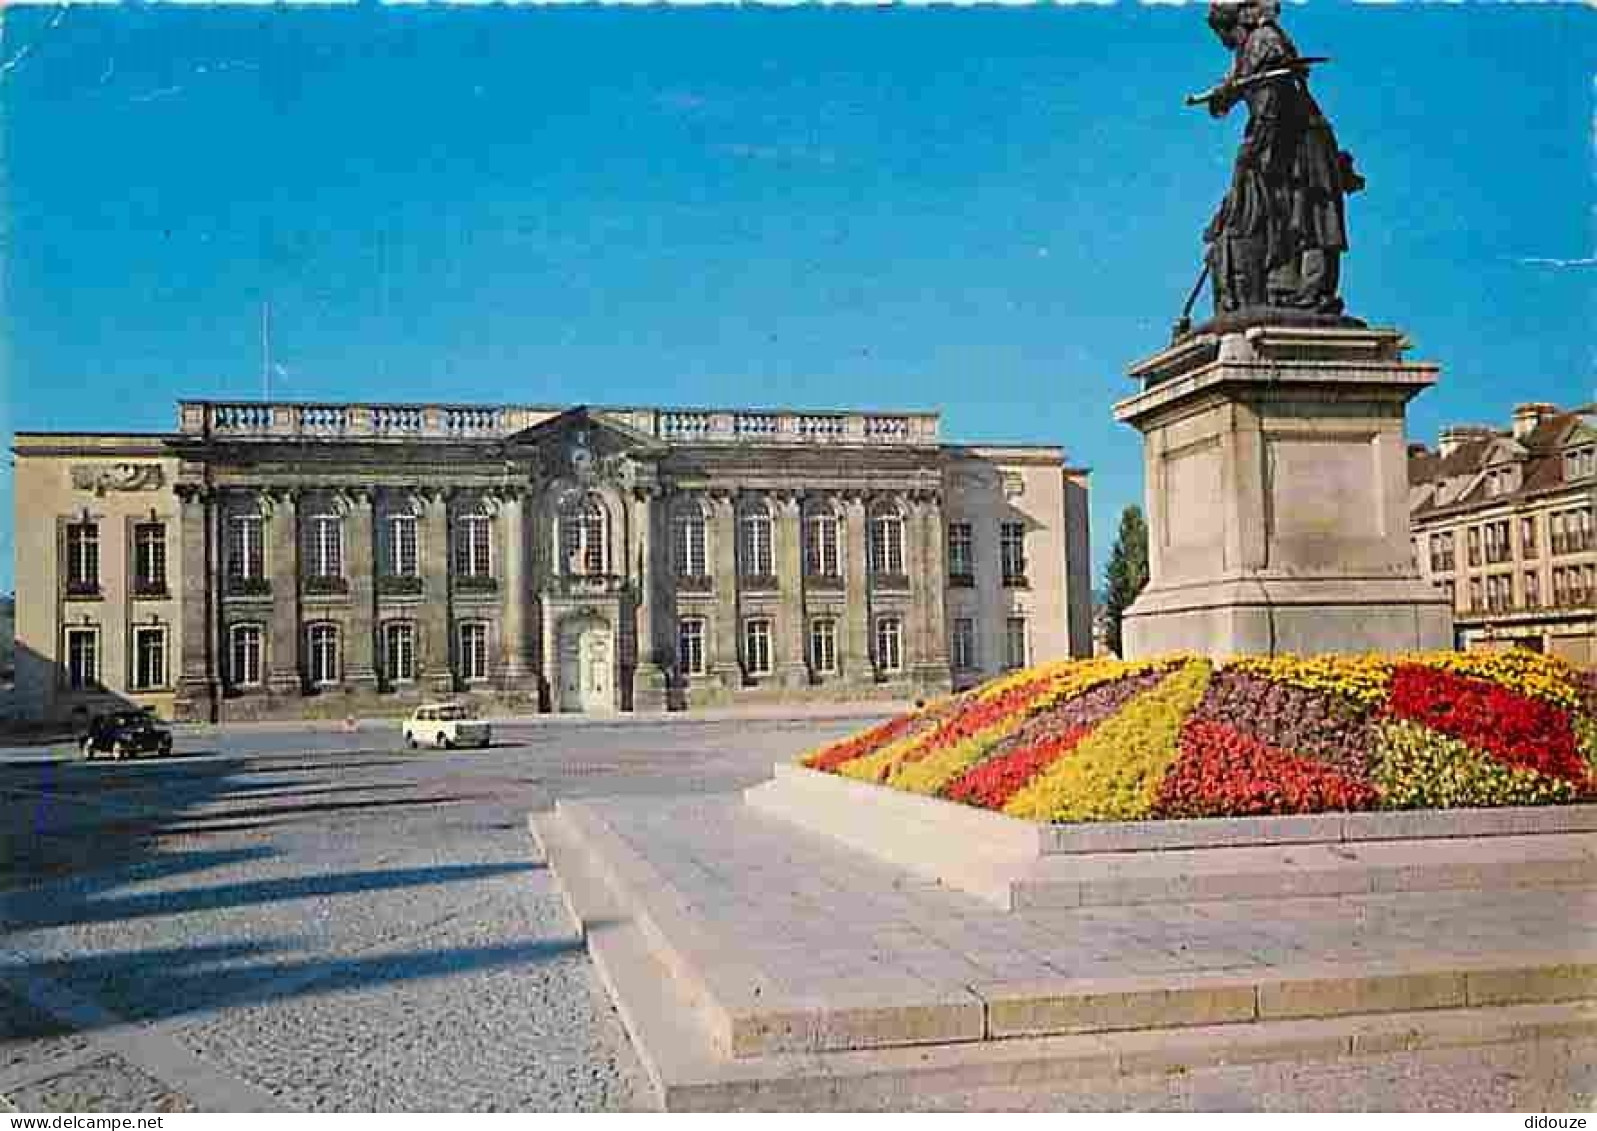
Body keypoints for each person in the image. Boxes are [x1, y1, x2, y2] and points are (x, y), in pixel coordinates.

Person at [1201, 1, 1363, 316]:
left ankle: (1314, 293)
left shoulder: (1264, 40)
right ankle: (1292, 288)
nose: (1222, 41)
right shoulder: (1248, 48)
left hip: (1302, 140)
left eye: (1221, 32)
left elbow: (1270, 102)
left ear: (1231, 24)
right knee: (1291, 214)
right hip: (1285, 142)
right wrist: (1223, 96)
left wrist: (1256, 146)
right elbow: (1237, 85)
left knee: (1313, 215)